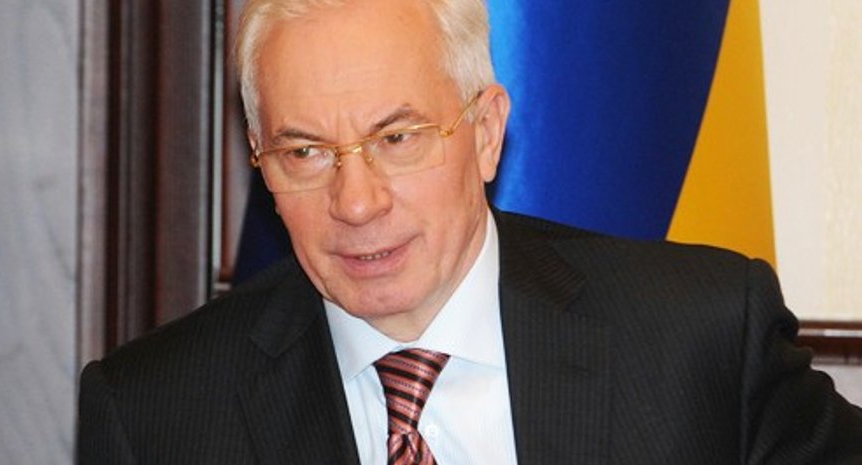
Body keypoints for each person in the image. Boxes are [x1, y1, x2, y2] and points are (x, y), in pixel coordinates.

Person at [77, 0, 862, 463]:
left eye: (397, 138)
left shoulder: (697, 339)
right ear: (261, 159)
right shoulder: (156, 416)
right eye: (305, 152)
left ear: (486, 133)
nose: (356, 203)